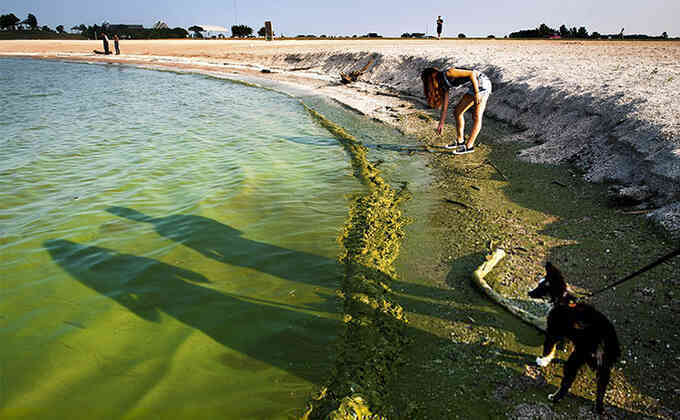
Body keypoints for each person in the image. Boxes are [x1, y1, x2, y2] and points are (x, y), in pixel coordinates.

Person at [421, 66, 492, 154]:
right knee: (457, 112)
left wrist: (477, 92)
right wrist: (441, 123)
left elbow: (472, 73)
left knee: (476, 116)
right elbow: (445, 106)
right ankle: (460, 141)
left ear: (431, 78)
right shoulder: (443, 84)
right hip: (473, 87)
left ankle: (469, 146)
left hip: (482, 84)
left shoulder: (449, 73)